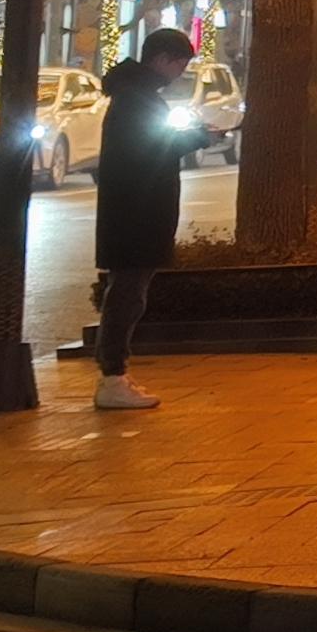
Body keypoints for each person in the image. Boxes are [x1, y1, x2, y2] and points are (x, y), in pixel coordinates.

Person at [89, 31, 192, 412]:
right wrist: (194, 138)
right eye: (180, 64)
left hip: (135, 208)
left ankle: (114, 372)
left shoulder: (135, 95)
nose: (181, 73)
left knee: (130, 291)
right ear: (163, 59)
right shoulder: (137, 99)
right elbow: (150, 149)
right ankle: (112, 375)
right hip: (137, 210)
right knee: (128, 294)